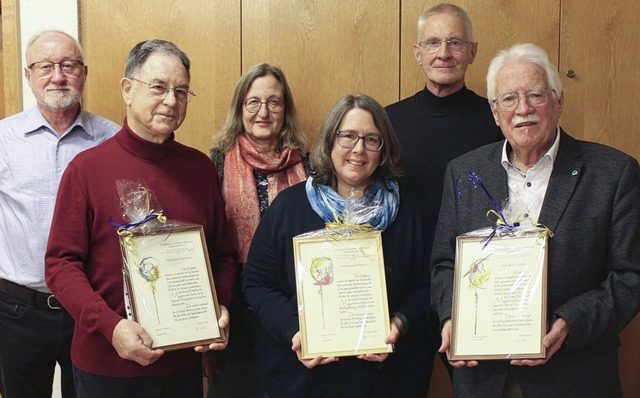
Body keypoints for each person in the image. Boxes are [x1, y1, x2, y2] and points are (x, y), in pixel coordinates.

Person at [430, 43, 640, 397]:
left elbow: (631, 276)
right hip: (483, 380)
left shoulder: (614, 173)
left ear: (559, 102)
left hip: (574, 376)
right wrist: (454, 319)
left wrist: (570, 323)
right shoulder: (463, 172)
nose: (523, 109)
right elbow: (443, 264)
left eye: (536, 95)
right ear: (495, 111)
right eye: (509, 98)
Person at [44, 39, 236, 397]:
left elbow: (223, 255)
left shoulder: (200, 169)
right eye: (159, 87)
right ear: (127, 90)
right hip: (107, 363)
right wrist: (111, 327)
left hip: (182, 364)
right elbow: (60, 264)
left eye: (181, 91)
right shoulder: (86, 169)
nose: (171, 101)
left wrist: (220, 304)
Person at [242, 94, 434, 397]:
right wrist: (295, 332)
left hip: (388, 380)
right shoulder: (289, 207)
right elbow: (257, 283)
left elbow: (429, 286)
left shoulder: (410, 211)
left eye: (372, 139)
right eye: (348, 136)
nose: (359, 149)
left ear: (383, 150)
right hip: (303, 380)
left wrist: (400, 322)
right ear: (330, 140)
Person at [384, 3, 502, 384]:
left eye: (455, 42)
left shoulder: (499, 121)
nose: (444, 52)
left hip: (477, 287)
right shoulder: (387, 122)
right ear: (418, 53)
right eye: (433, 42)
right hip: (405, 292)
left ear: (472, 51)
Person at [0, 30, 119, 398]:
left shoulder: (111, 140)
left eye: (68, 66)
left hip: (89, 310)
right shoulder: (4, 138)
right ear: (28, 75)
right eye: (46, 66)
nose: (57, 76)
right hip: (17, 311)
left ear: (83, 72)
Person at [206, 63, 309, 397]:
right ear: (240, 108)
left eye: (274, 102)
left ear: (285, 110)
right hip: (235, 310)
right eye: (253, 102)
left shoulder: (310, 164)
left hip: (295, 308)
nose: (263, 112)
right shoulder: (217, 162)